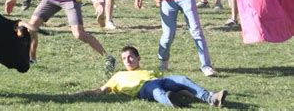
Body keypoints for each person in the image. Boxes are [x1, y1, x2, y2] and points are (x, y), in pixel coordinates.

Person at [74, 46, 228, 108]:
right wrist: (80, 94)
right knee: (156, 91)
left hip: (158, 80)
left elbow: (180, 87)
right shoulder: (118, 76)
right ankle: (173, 102)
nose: (127, 61)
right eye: (124, 59)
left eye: (130, 57)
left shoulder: (150, 71)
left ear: (138, 58)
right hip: (144, 88)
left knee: (182, 80)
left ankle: (211, 98)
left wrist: (191, 94)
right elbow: (100, 90)